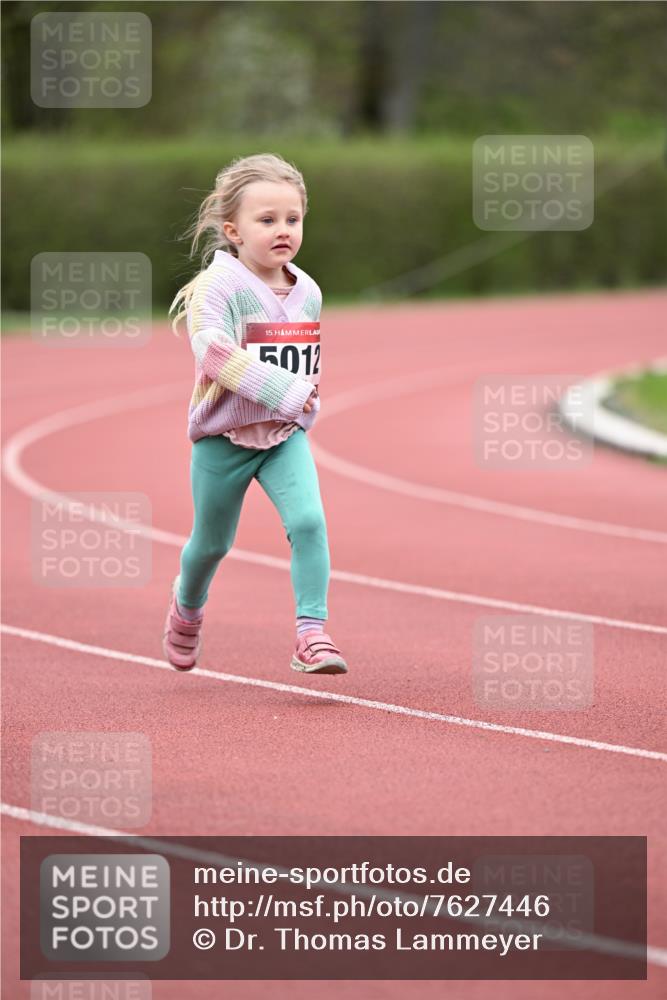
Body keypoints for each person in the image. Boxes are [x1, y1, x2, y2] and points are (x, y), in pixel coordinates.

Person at [163, 153, 347, 676]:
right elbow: (215, 353)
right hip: (223, 439)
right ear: (233, 231)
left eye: (293, 219)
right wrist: (287, 390)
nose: (282, 230)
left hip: (284, 437)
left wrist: (302, 401)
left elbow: (306, 359)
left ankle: (312, 634)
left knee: (309, 522)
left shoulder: (308, 290)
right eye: (266, 220)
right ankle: (187, 611)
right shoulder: (217, 288)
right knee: (211, 544)